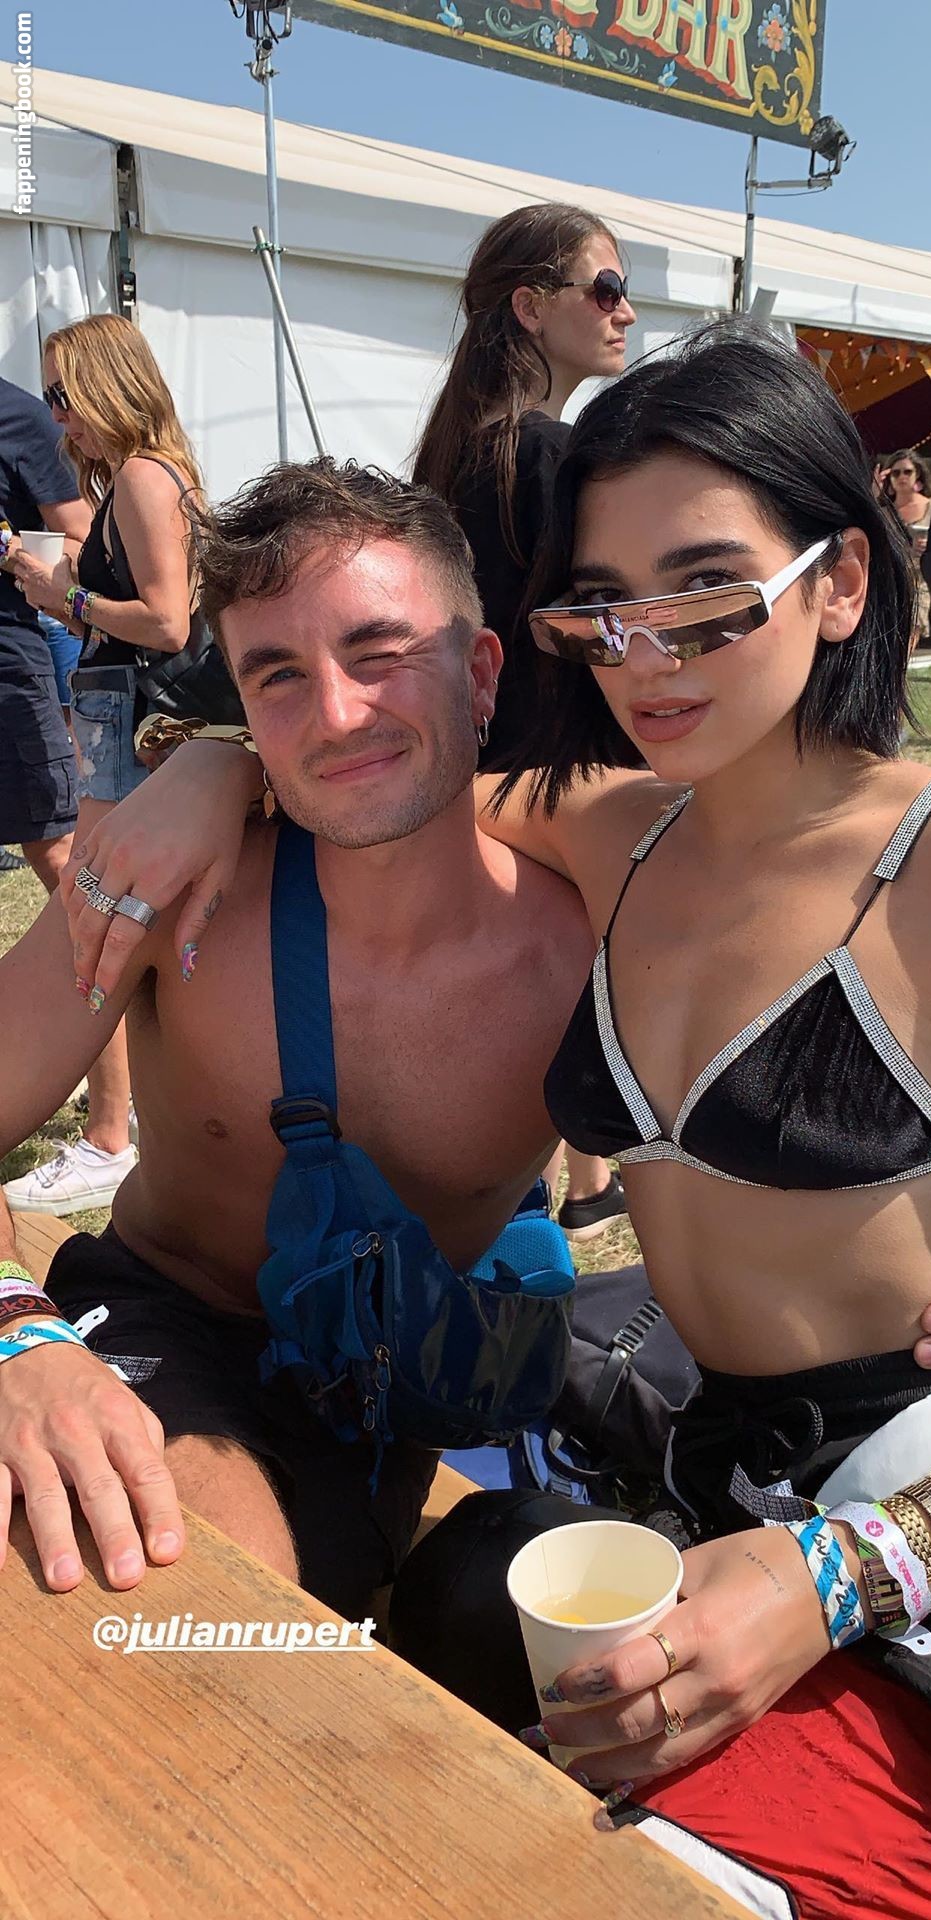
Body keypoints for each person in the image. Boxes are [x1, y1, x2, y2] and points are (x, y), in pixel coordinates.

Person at [381, 323, 931, 1915]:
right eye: (601, 606)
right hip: (717, 1478)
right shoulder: (611, 829)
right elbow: (368, 794)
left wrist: (839, 1575)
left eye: (707, 593)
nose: (645, 656)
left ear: (842, 582)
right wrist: (195, 779)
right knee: (436, 1638)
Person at [0, 457, 598, 1621]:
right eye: (277, 675)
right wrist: (19, 1338)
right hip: (167, 1321)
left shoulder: (586, 951)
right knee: (172, 1583)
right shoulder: (167, 890)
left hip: (392, 1390)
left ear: (481, 672)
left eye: (379, 653)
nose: (335, 714)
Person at [414, 202, 638, 1240]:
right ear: (531, 305)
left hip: (482, 787)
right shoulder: (549, 456)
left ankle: (570, 1192)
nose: (625, 311)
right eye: (607, 287)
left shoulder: (457, 454)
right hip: (562, 785)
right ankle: (569, 1195)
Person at [7, 316, 204, 1217]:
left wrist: (68, 595)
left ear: (106, 385)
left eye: (64, 395)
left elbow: (166, 622)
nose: (57, 418)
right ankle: (135, 1131)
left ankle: (109, 1137)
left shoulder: (141, 477)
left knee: (102, 923)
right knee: (122, 925)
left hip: (129, 723)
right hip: (127, 721)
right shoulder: (149, 474)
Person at [0, 372, 90, 892]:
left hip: (7, 666)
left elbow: (82, 543)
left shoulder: (20, 418)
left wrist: (10, 551)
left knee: (55, 841)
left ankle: (110, 949)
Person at [885, 447, 931, 641]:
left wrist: (930, 544)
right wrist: (873, 492)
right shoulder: (884, 512)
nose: (901, 477)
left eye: (907, 471)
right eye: (895, 473)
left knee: (914, 628)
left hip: (921, 579)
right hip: (891, 580)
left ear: (917, 474)